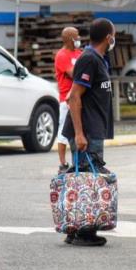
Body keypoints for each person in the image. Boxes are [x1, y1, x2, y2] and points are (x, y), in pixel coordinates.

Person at [62, 18, 116, 247]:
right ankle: (84, 232)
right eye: (113, 35)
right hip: (87, 132)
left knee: (82, 179)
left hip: (93, 129)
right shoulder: (89, 59)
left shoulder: (99, 59)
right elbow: (74, 96)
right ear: (108, 37)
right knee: (88, 181)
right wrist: (80, 134)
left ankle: (75, 229)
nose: (115, 39)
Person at [55, 26, 82, 173]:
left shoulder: (79, 53)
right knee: (64, 132)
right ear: (69, 39)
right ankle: (63, 163)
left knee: (79, 131)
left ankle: (78, 161)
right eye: (76, 36)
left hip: (79, 98)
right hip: (66, 100)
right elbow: (74, 74)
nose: (78, 39)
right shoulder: (62, 55)